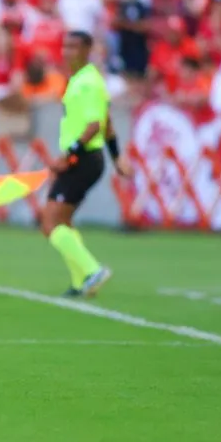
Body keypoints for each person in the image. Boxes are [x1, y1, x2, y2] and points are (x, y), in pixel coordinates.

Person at [43, 31, 130, 298]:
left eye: (74, 47)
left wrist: (68, 155)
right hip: (83, 159)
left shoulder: (89, 82)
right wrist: (116, 158)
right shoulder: (80, 80)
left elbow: (96, 126)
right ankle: (81, 281)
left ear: (88, 49)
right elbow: (108, 124)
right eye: (65, 46)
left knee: (50, 222)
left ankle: (92, 270)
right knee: (64, 220)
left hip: (82, 159)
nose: (67, 52)